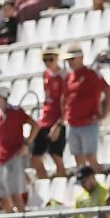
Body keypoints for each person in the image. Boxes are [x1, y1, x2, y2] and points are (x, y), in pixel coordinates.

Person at [61, 47, 110, 172]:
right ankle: (85, 185)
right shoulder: (68, 77)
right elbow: (64, 99)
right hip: (73, 124)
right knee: (78, 159)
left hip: (88, 123)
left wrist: (104, 115)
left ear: (81, 58)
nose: (70, 62)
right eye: (68, 60)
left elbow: (109, 92)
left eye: (72, 59)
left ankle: (98, 185)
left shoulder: (92, 74)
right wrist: (65, 116)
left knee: (91, 157)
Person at [0, 87, 31, 214]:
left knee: (14, 194)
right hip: (2, 157)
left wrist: (26, 144)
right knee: (2, 195)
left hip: (13, 156)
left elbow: (35, 124)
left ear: (2, 97)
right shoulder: (0, 115)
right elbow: (1, 139)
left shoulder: (15, 111)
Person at [30, 49, 67, 179]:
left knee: (56, 155)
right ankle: (45, 184)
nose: (47, 62)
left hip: (57, 119)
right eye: (45, 60)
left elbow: (66, 101)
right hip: (45, 118)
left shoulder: (64, 76)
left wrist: (59, 123)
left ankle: (61, 183)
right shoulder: (46, 74)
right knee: (35, 158)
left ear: (57, 58)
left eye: (50, 59)